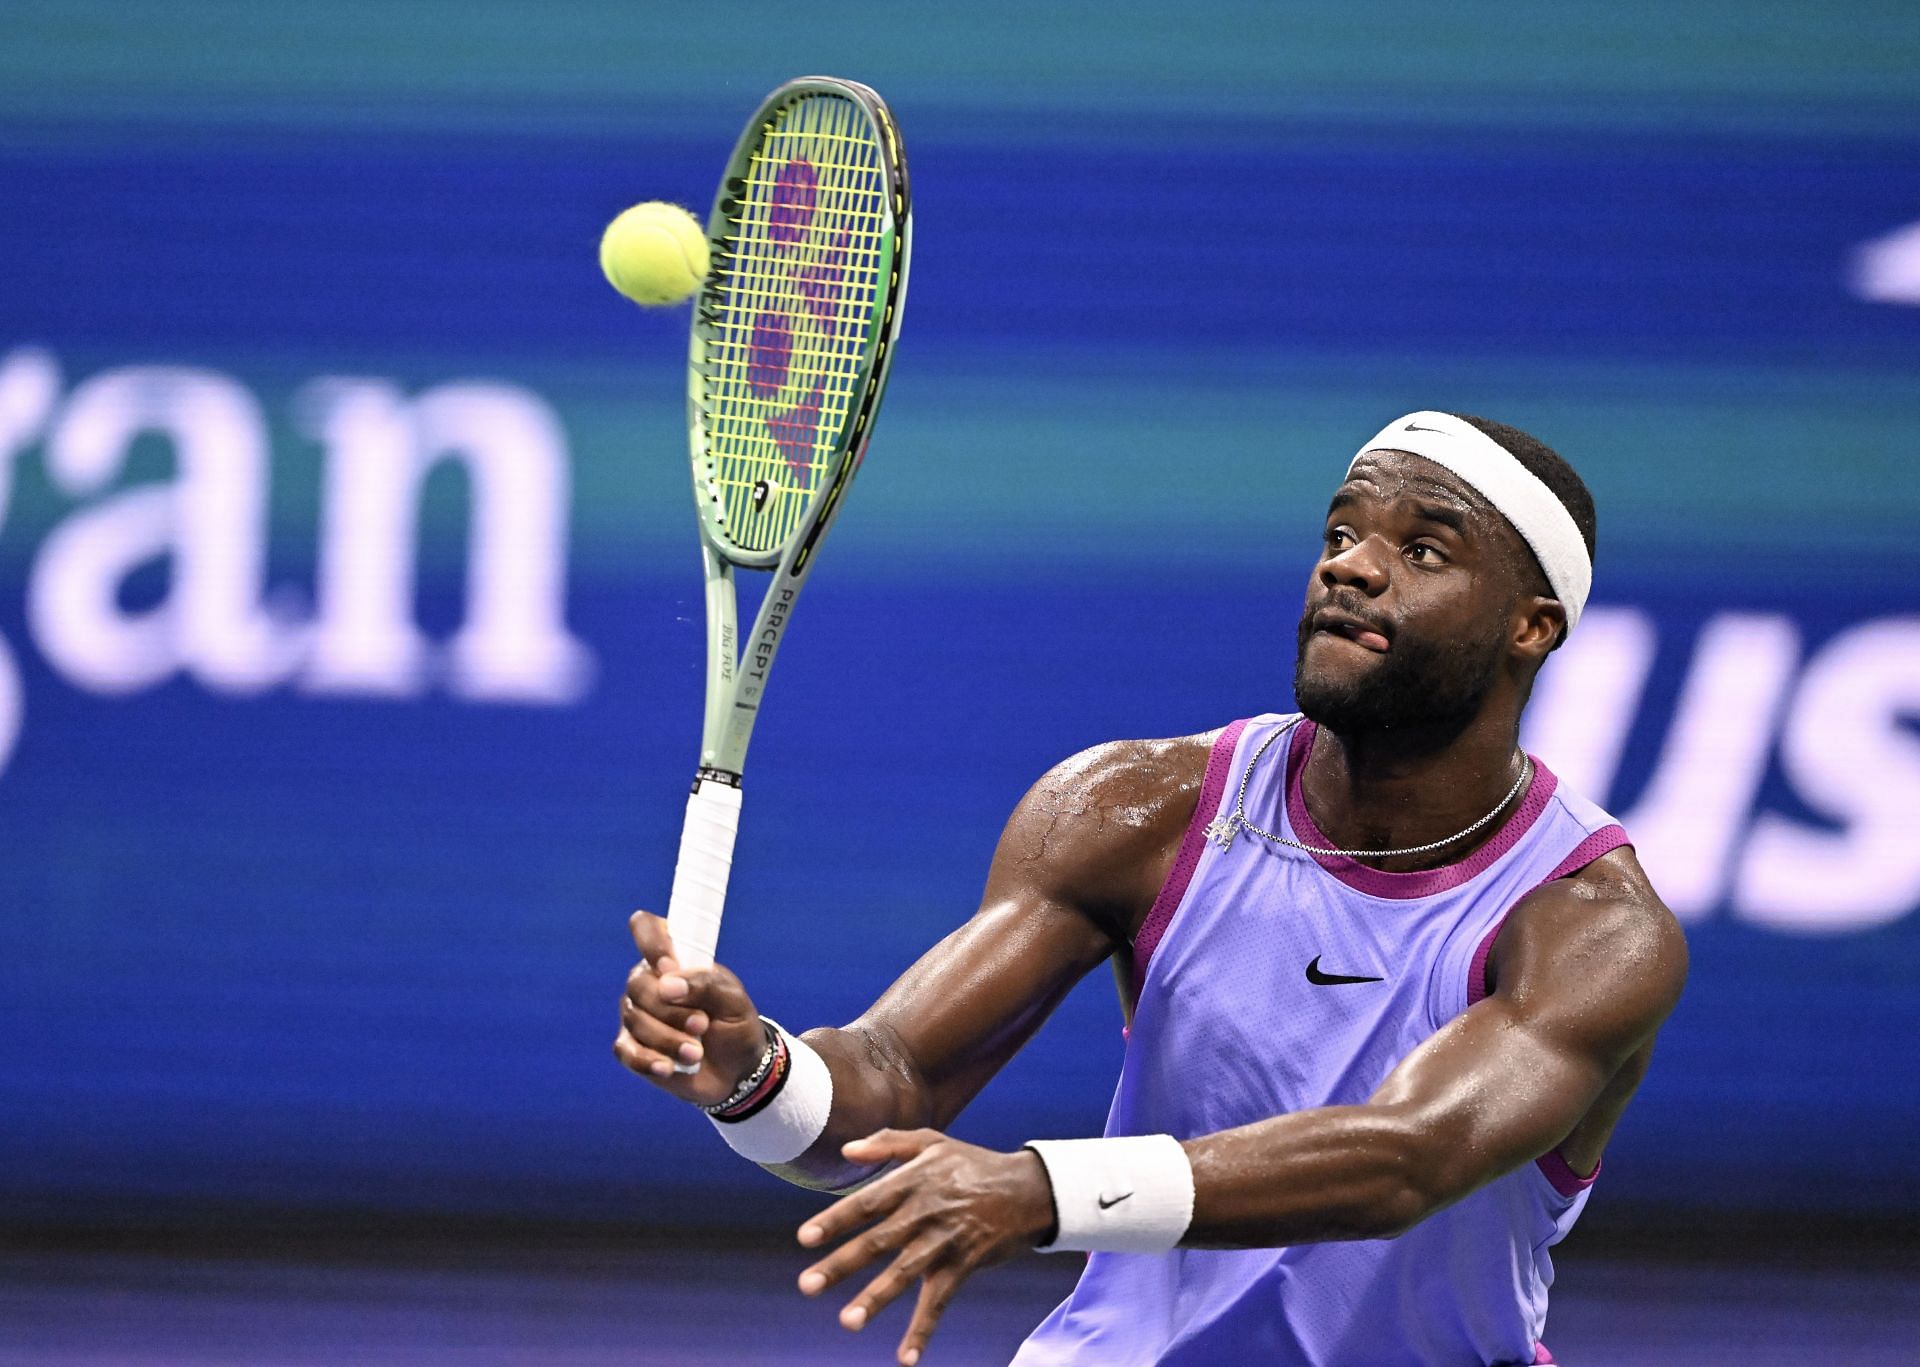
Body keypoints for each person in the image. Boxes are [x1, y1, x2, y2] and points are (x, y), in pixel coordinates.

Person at [616, 411, 1688, 1366]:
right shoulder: (1138, 808)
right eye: (1340, 533)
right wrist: (746, 1071)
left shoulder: (1590, 924)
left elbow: (1409, 1157)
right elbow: (883, 1087)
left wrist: (1045, 1190)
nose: (1352, 568)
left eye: (1420, 550)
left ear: (1531, 626)